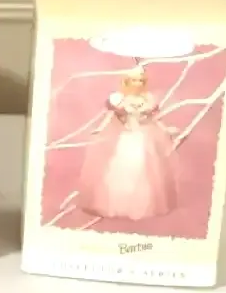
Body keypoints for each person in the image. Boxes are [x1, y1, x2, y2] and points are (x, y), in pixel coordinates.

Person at [77, 65, 179, 220]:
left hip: (142, 137)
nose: (138, 83)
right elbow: (110, 116)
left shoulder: (147, 99)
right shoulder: (119, 99)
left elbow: (155, 118)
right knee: (121, 166)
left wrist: (166, 129)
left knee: (142, 167)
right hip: (126, 136)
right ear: (127, 81)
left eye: (141, 81)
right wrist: (100, 129)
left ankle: (140, 204)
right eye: (134, 80)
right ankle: (118, 203)